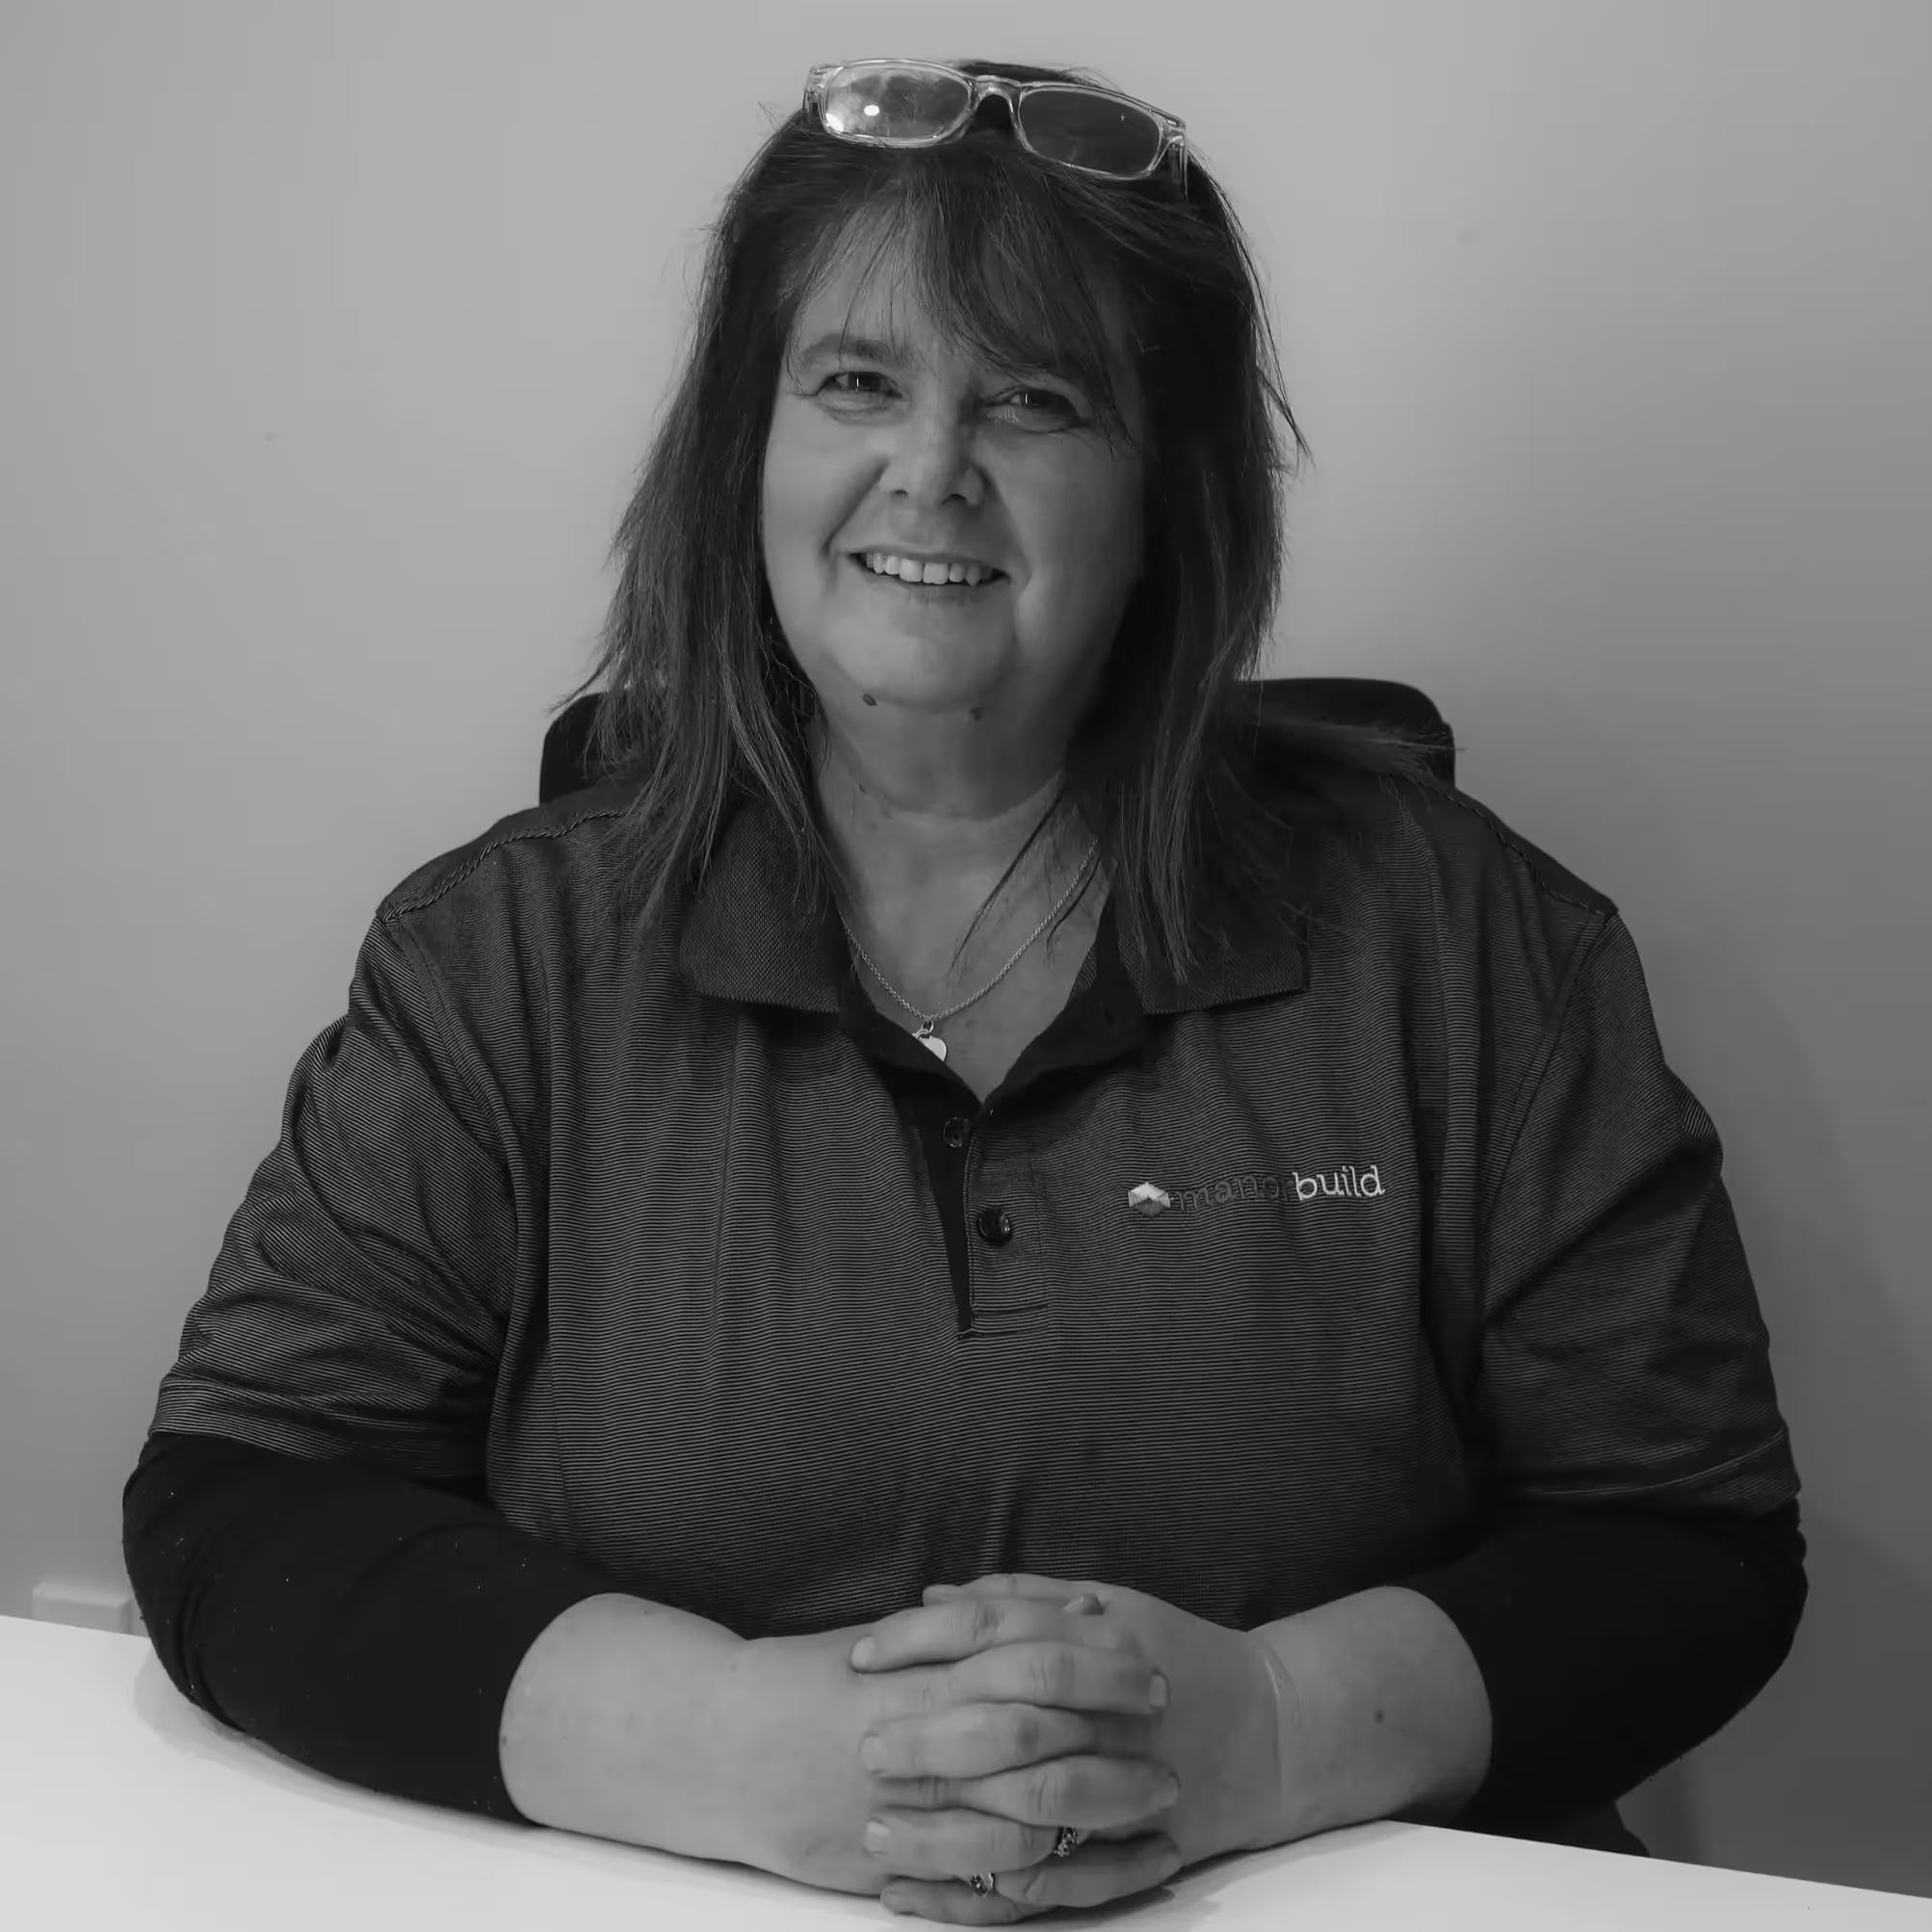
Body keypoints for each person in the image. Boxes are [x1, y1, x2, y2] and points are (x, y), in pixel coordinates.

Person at [124, 55, 1806, 1924]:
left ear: (1167, 491)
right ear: (739, 454)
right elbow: (243, 1508)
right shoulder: (498, 960)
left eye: (1032, 396)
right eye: (854, 380)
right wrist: (732, 1742)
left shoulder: (1476, 947)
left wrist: (1264, 1722)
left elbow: (1685, 1541)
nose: (929, 467)